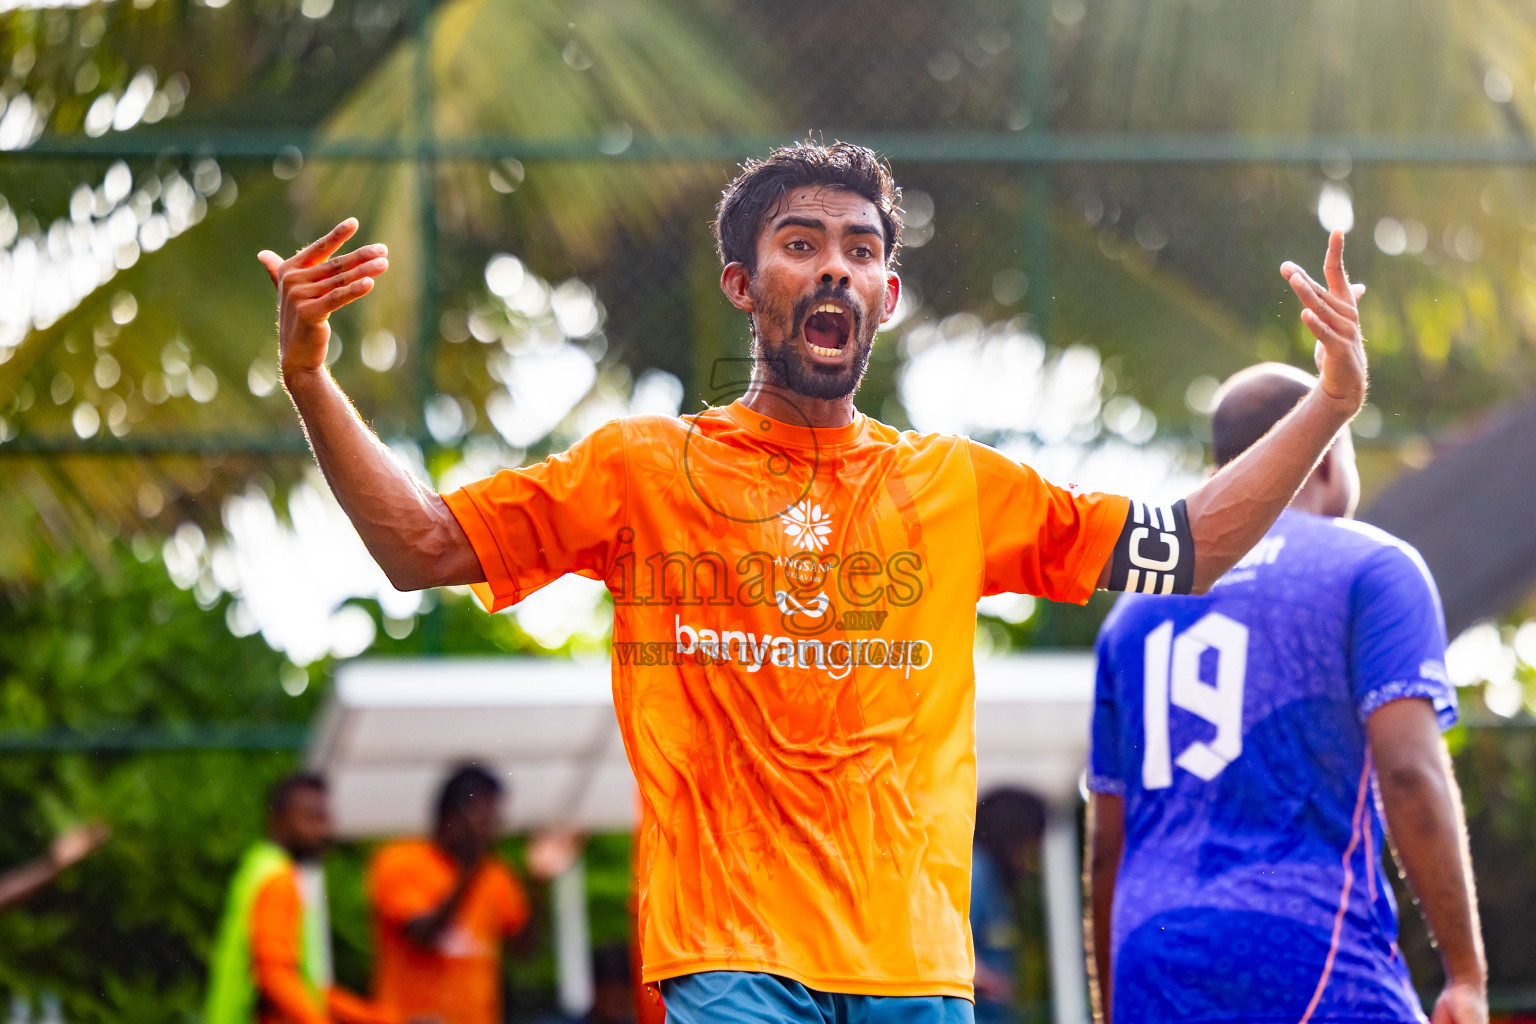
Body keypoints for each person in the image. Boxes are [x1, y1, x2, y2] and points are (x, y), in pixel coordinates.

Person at [258, 139, 1372, 1022]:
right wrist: (310, 377)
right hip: (730, 954)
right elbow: (418, 544)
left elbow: (1179, 549)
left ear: (885, 295)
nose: (834, 263)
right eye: (801, 242)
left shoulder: (954, 483)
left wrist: (1327, 404)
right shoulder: (642, 468)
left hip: (919, 962)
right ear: (745, 284)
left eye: (858, 247)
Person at [1086, 363, 1487, 1024]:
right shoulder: (1372, 566)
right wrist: (1466, 976)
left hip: (1149, 960)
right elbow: (1411, 773)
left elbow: (1107, 846)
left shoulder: (1130, 615)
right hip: (1305, 947)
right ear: (1326, 456)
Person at [206, 773, 393, 1024]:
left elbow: (309, 989)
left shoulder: (257, 868)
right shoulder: (280, 881)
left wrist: (379, 1019)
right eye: (311, 819)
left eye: (325, 819)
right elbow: (273, 974)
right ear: (279, 820)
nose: (324, 831)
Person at [368, 765, 549, 1024]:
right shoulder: (401, 860)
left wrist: (538, 880)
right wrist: (472, 866)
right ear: (454, 814)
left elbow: (524, 950)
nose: (492, 828)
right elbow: (424, 936)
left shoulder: (495, 874)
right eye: (486, 816)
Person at [970, 789, 1046, 1024]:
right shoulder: (977, 871)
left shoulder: (996, 880)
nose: (1028, 859)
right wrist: (993, 984)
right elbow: (947, 951)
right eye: (1028, 846)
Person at [0, 820, 109, 913]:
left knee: (16, 888)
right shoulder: (78, 840)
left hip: (48, 871)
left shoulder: (79, 843)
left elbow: (60, 854)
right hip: (46, 869)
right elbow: (59, 852)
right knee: (15, 887)